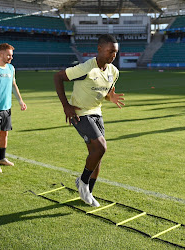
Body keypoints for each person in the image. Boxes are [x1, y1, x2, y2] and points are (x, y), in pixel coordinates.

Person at [54, 34, 124, 207]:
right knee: (101, 147)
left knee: (96, 154)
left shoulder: (113, 72)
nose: (112, 56)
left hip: (97, 113)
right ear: (99, 49)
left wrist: (111, 98)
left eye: (115, 53)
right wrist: (66, 106)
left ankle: (88, 192)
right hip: (79, 113)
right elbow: (58, 77)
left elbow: (105, 93)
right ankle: (83, 182)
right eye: (110, 52)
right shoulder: (86, 67)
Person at [0, 43, 27, 173]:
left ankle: (3, 158)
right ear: (1, 54)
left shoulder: (11, 68)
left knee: (5, 134)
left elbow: (13, 85)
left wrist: (20, 101)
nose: (11, 57)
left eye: (12, 55)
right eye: (9, 55)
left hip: (7, 108)